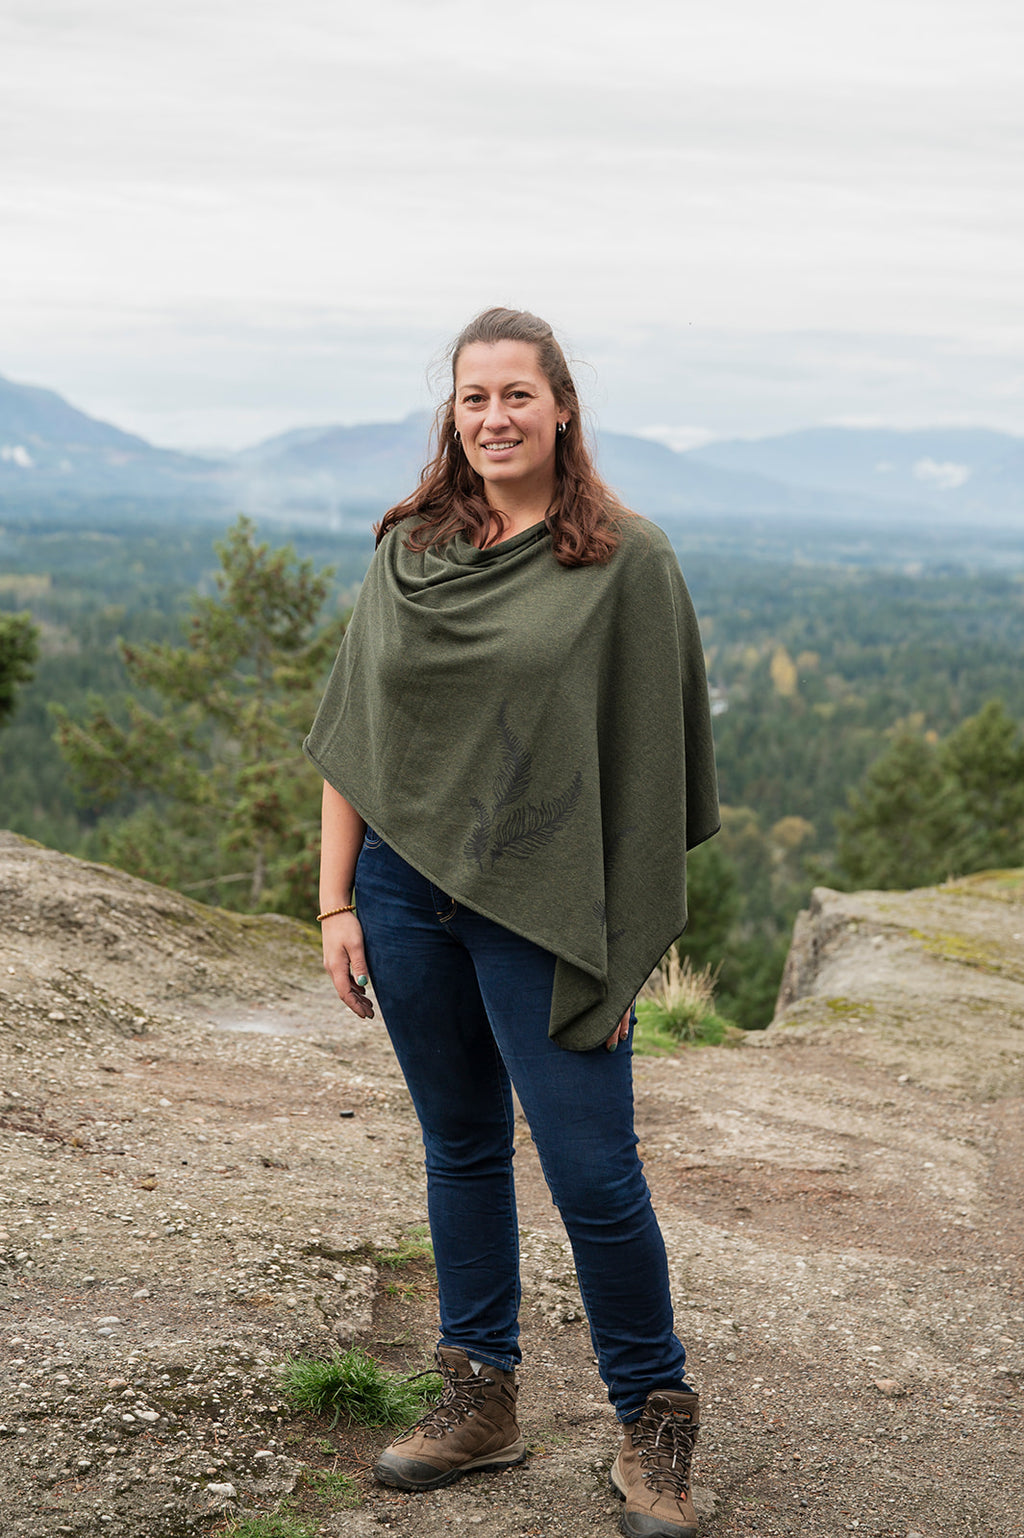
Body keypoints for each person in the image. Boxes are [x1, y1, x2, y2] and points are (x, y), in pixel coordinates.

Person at [304, 307, 719, 1538]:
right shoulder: (410, 549)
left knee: (594, 1170)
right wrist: (336, 897)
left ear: (561, 407)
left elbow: (647, 766)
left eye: (516, 395)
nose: (494, 416)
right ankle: (478, 1395)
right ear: (454, 412)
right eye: (474, 397)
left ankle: (653, 1413)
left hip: (546, 910)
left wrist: (621, 929)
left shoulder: (622, 561)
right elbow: (355, 739)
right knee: (462, 1147)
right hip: (401, 894)